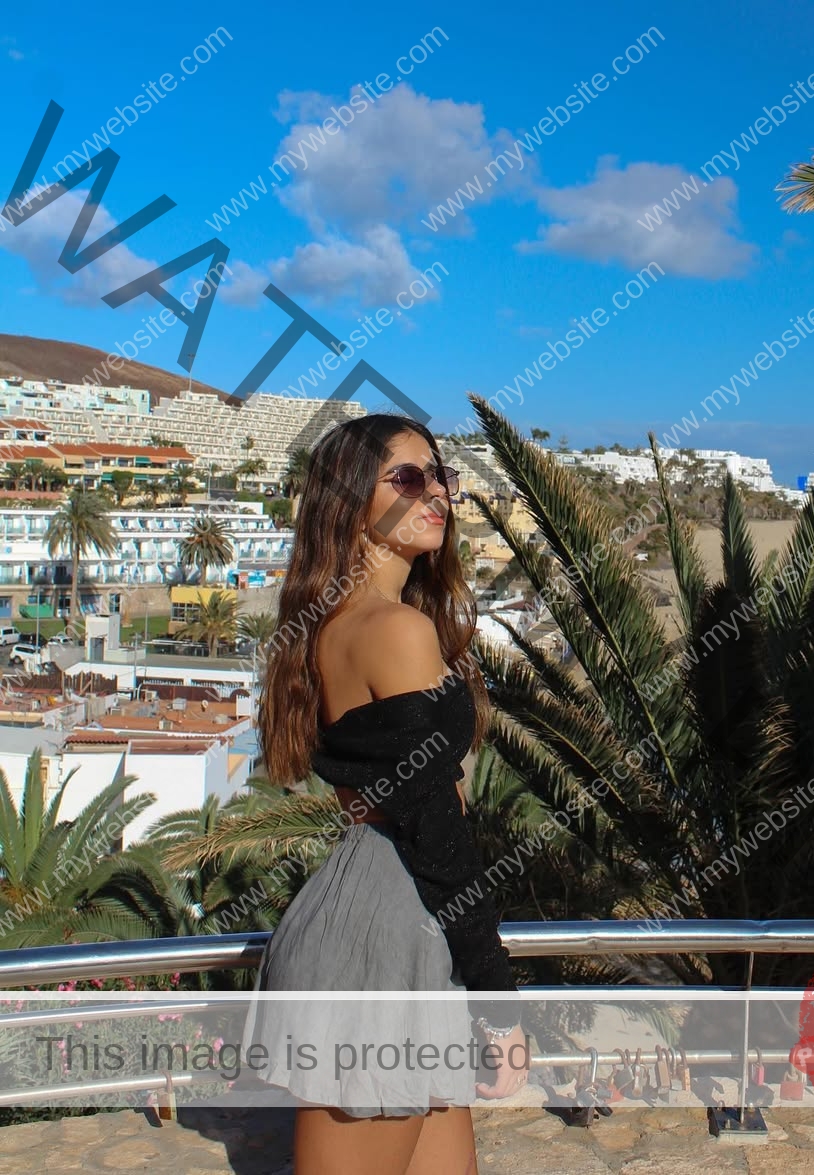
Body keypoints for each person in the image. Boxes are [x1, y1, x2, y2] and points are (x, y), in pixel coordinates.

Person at [246, 413, 527, 1175]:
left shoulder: (329, 623)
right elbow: (437, 828)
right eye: (407, 477)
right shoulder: (397, 630)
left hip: (381, 915)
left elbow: (371, 791)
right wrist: (498, 1001)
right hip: (387, 935)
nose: (435, 492)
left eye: (441, 476)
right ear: (349, 500)